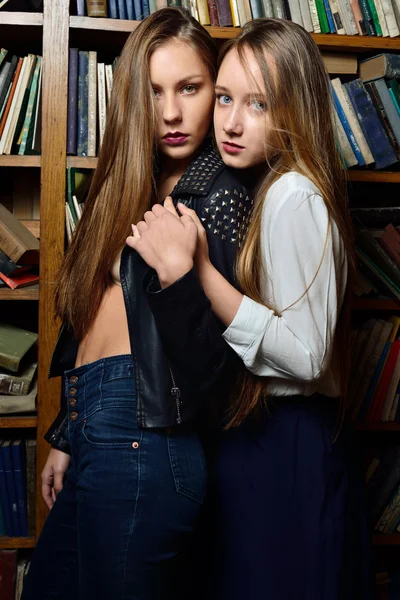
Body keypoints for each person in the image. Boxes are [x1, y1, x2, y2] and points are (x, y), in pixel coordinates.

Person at [128, 18, 372, 600]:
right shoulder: (269, 188)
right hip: (264, 440)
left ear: (296, 109)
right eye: (226, 98)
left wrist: (201, 272)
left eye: (258, 104)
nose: (231, 123)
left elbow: (309, 356)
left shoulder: (293, 193)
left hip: (288, 441)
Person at [21, 8, 252, 600]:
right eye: (153, 92)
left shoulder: (221, 193)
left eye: (191, 88)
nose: (171, 112)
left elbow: (215, 372)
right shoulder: (133, 183)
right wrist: (67, 435)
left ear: (217, 90)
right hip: (101, 428)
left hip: (146, 442)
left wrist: (180, 277)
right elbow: (94, 322)